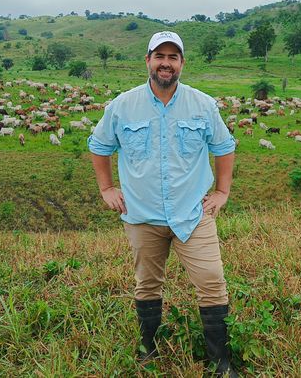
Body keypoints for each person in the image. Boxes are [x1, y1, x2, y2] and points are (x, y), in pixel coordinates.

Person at [88, 31, 238, 376]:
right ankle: (148, 350)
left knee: (212, 280)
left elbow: (224, 147)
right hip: (142, 215)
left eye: (173, 57)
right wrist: (107, 188)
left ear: (182, 63)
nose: (165, 63)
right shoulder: (122, 106)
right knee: (147, 283)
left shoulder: (202, 105)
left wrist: (222, 192)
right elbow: (99, 147)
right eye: (160, 56)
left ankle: (220, 360)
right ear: (148, 61)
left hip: (192, 215)